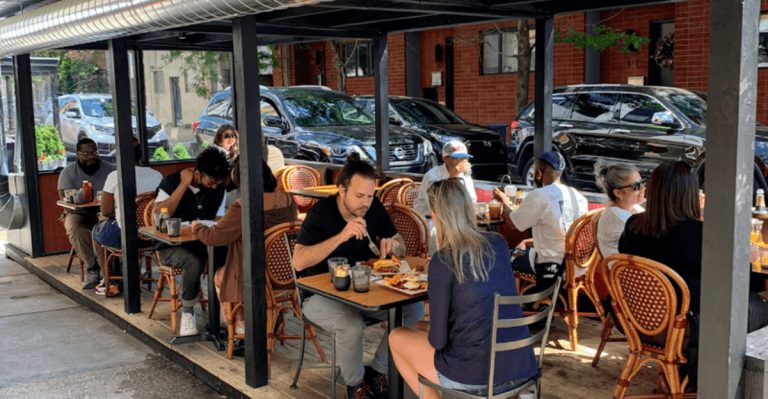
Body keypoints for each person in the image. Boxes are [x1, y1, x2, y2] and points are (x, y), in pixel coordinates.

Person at [389, 179, 537, 399]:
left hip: (477, 376)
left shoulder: (443, 260)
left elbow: (438, 341)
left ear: (437, 214)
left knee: (397, 336)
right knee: (419, 325)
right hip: (521, 365)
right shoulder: (497, 242)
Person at [291, 153, 424, 399]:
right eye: (359, 196)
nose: (365, 202)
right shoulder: (321, 213)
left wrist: (391, 246)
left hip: (365, 291)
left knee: (413, 310)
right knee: (349, 324)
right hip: (319, 296)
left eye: (370, 195)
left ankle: (377, 371)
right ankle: (355, 385)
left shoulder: (373, 208)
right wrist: (341, 236)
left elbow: (401, 245)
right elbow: (298, 261)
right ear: (342, 190)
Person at [192, 158, 297, 336]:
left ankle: (241, 329)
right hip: (286, 275)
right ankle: (271, 316)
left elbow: (213, 236)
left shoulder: (244, 206)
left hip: (256, 276)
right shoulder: (288, 200)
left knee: (221, 276)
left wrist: (197, 227)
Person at [154, 147, 230, 336]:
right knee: (193, 261)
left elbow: (218, 220)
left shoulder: (219, 189)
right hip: (170, 246)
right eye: (211, 181)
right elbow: (158, 215)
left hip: (204, 243)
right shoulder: (170, 182)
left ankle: (221, 309)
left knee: (226, 255)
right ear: (198, 172)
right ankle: (188, 312)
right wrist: (183, 185)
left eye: (218, 183)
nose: (214, 187)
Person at [493, 151, 588, 287]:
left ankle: (512, 301)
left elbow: (512, 223)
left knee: (502, 256)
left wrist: (504, 200)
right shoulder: (579, 197)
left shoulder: (539, 196)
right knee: (523, 248)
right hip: (578, 265)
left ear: (538, 172)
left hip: (550, 266)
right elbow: (563, 233)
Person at [91, 138, 162, 294]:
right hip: (152, 236)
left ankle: (109, 279)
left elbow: (107, 212)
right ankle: (125, 276)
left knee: (97, 230)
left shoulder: (115, 176)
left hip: (125, 236)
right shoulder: (157, 176)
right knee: (112, 227)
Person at [58, 137, 115, 290]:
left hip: (107, 213)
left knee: (110, 225)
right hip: (80, 213)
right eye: (86, 153)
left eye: (94, 152)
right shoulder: (68, 172)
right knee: (74, 226)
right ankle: (93, 268)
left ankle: (112, 270)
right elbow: (65, 201)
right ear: (77, 154)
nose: (91, 156)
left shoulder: (110, 170)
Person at [593, 160, 645, 258]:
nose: (643, 189)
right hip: (625, 271)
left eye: (642, 183)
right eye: (636, 186)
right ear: (618, 193)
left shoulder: (632, 207)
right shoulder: (617, 218)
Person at [413, 141, 476, 217]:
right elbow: (440, 206)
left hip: (457, 218)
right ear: (444, 158)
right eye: (456, 158)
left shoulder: (464, 174)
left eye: (464, 157)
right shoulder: (432, 176)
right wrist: (454, 177)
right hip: (432, 220)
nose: (461, 161)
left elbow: (472, 199)